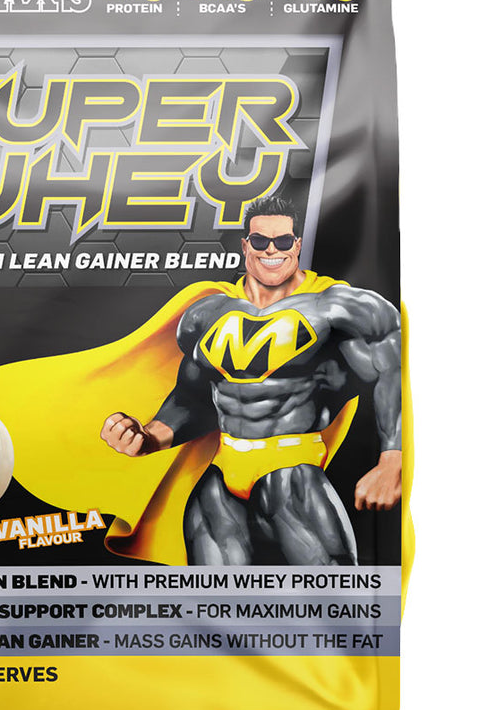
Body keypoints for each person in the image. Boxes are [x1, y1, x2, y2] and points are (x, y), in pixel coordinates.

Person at [100, 195, 402, 566]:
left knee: (332, 591)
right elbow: (191, 399)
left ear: (297, 245)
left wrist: (392, 459)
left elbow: (393, 370)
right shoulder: (206, 315)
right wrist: (147, 437)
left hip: (292, 466)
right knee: (215, 596)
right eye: (260, 241)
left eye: (282, 241)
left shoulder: (339, 308)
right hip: (222, 472)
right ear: (246, 245)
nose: (271, 250)